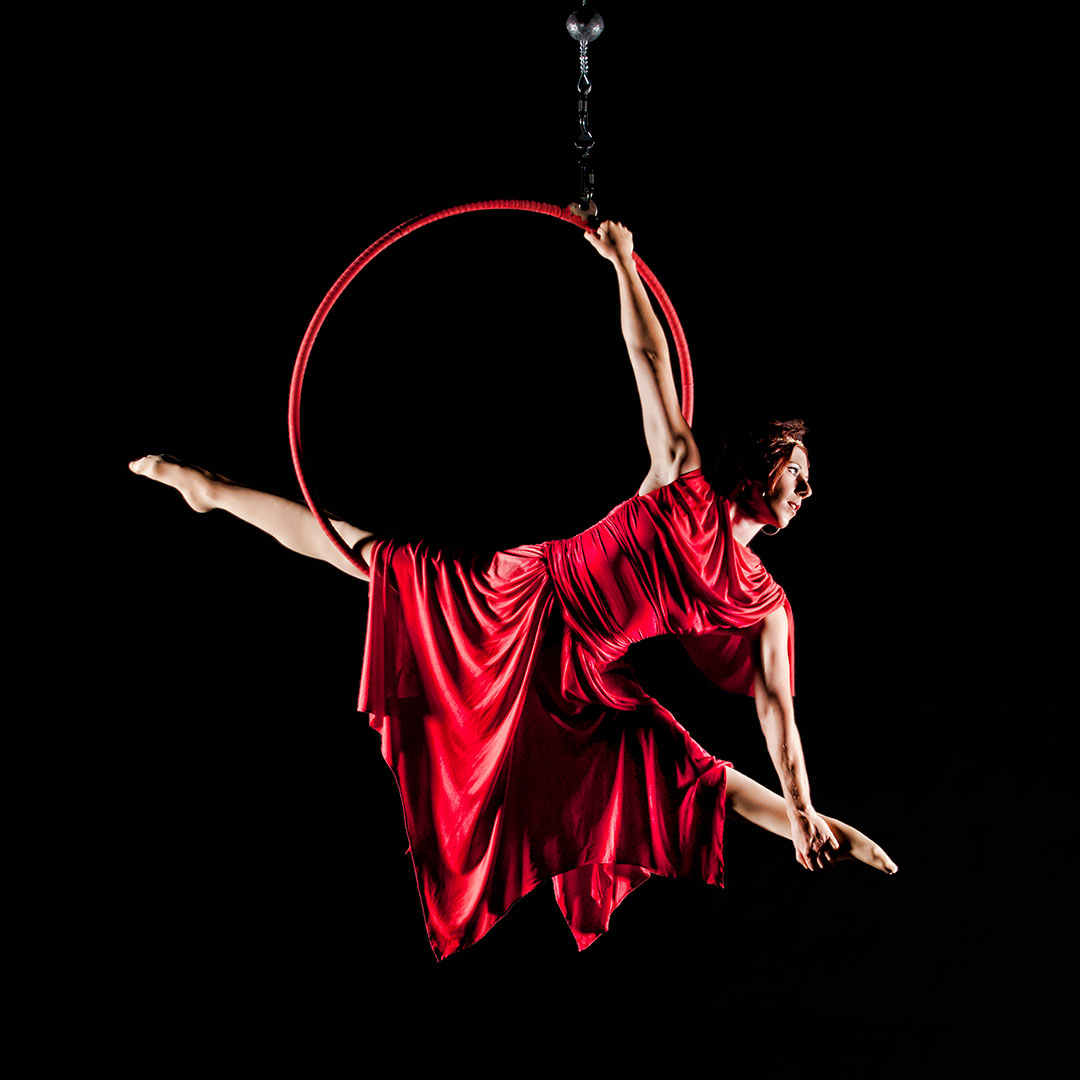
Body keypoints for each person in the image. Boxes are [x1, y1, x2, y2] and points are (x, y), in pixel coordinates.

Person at [130, 220, 896, 959]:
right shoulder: (682, 475)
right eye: (799, 469)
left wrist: (800, 807)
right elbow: (648, 360)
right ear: (763, 459)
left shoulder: (767, 605)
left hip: (587, 673)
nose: (806, 488)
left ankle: (807, 824)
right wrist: (623, 263)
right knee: (374, 560)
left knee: (675, 763)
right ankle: (215, 491)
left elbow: (776, 713)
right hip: (528, 592)